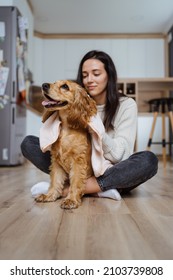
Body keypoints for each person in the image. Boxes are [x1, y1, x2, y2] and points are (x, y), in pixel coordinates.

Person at [21, 50, 158, 200]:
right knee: (29, 143)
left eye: (96, 74)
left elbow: (120, 155)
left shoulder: (127, 105)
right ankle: (98, 189)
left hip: (110, 170)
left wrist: (95, 130)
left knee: (148, 160)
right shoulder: (71, 103)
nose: (89, 80)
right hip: (73, 166)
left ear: (109, 76)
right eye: (85, 75)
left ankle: (69, 190)